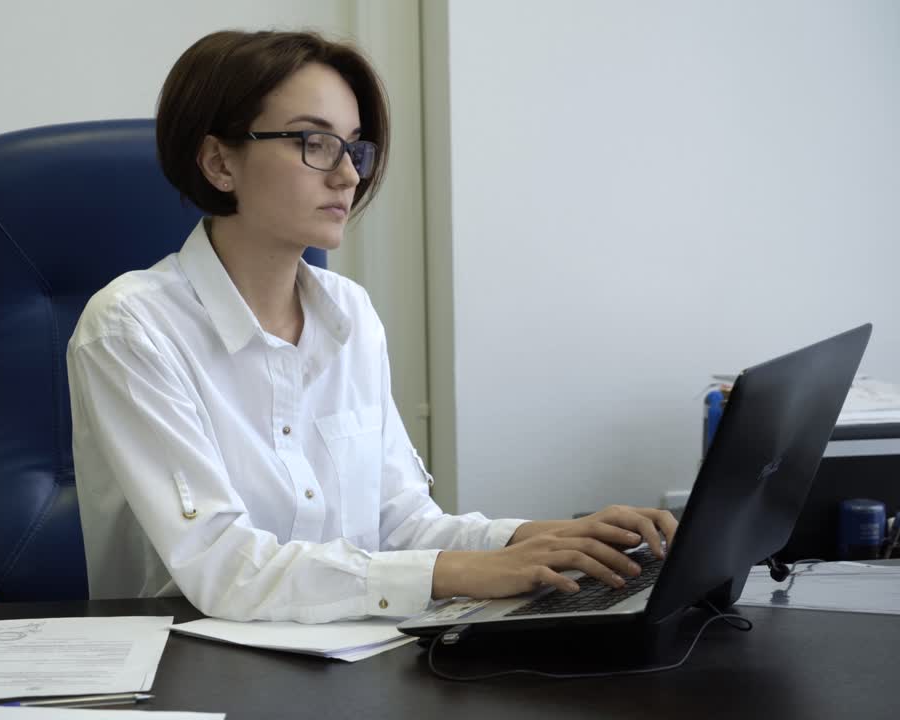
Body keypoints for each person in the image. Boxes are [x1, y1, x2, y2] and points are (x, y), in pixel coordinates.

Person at [66, 29, 676, 623]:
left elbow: (400, 523)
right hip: (189, 668)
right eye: (315, 142)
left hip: (346, 656)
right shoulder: (131, 329)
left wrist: (545, 537)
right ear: (220, 162)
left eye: (354, 147)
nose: (349, 176)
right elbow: (221, 565)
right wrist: (452, 572)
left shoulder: (349, 312)